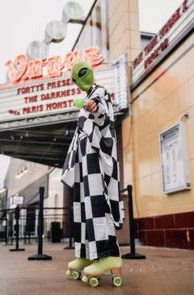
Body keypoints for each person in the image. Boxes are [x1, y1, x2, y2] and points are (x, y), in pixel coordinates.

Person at [62, 62, 124, 287]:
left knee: (98, 205)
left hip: (95, 161)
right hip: (84, 162)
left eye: (80, 75)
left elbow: (103, 117)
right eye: (75, 77)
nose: (79, 80)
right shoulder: (91, 95)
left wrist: (93, 107)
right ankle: (88, 253)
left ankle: (108, 255)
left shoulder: (99, 93)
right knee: (83, 208)